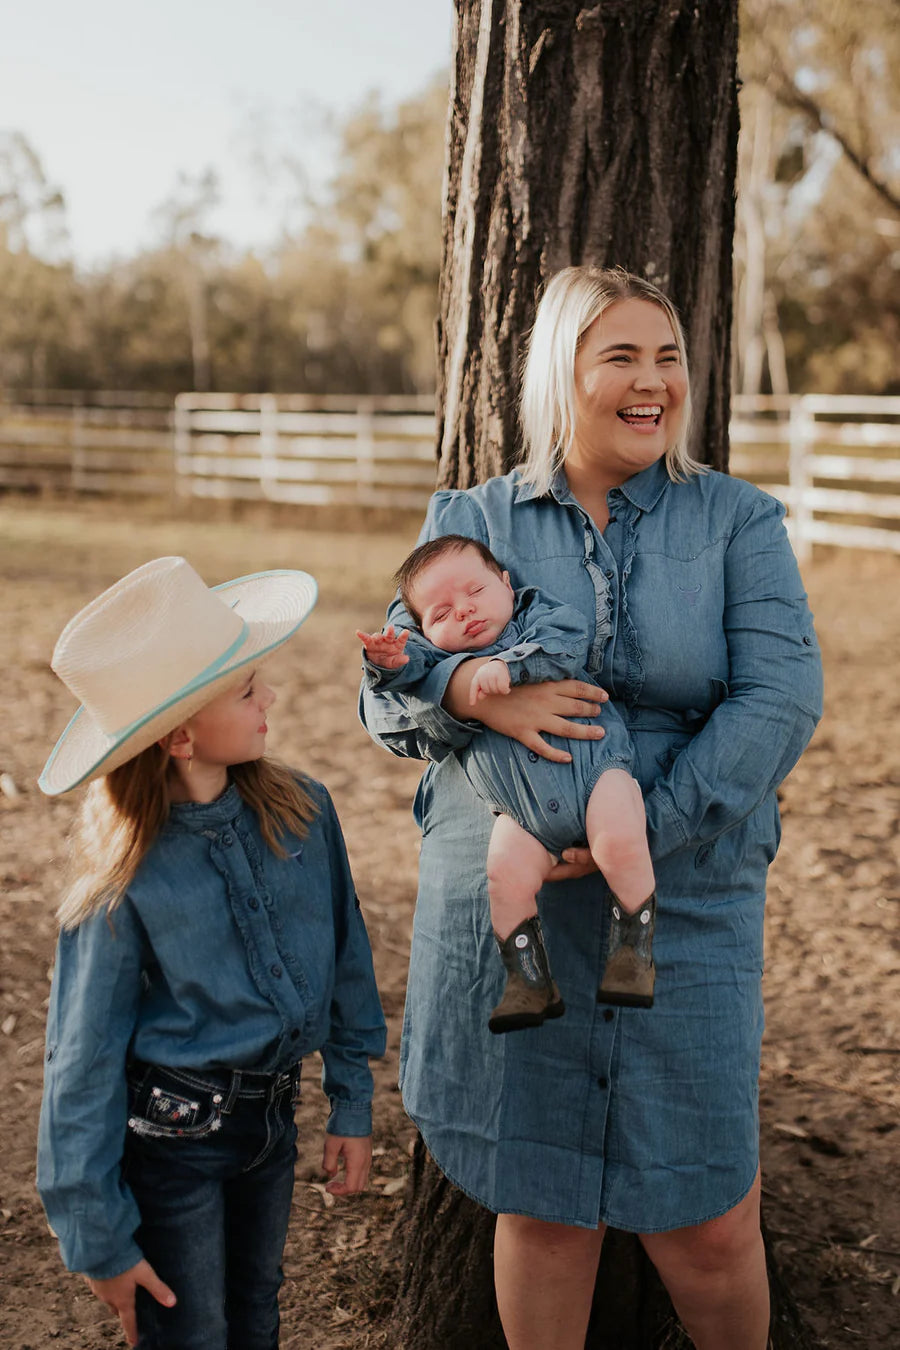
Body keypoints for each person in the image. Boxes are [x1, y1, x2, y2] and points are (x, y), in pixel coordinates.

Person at [359, 266, 823, 1350]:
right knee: (545, 1206)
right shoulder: (472, 519)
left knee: (710, 1219)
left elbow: (782, 696)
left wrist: (631, 836)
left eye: (667, 357)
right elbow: (386, 688)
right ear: (559, 375)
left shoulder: (734, 521)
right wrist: (469, 688)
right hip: (510, 901)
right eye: (620, 357)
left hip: (686, 883)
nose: (653, 382)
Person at [36, 556, 386, 1350]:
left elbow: (348, 959)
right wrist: (97, 1239)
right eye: (247, 688)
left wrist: (353, 1102)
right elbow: (80, 1059)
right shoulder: (125, 880)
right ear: (181, 734)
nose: (271, 696)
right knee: (190, 1332)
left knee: (257, 1315)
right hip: (172, 1141)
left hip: (273, 1123)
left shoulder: (305, 812)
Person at [357, 533, 657, 1032]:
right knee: (504, 876)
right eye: (442, 613)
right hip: (521, 811)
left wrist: (508, 667)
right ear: (423, 630)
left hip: (595, 775)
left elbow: (566, 642)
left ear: (505, 583)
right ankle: (529, 981)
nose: (465, 612)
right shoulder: (437, 658)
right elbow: (407, 678)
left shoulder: (535, 616)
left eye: (475, 592)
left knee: (620, 840)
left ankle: (634, 952)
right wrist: (387, 664)